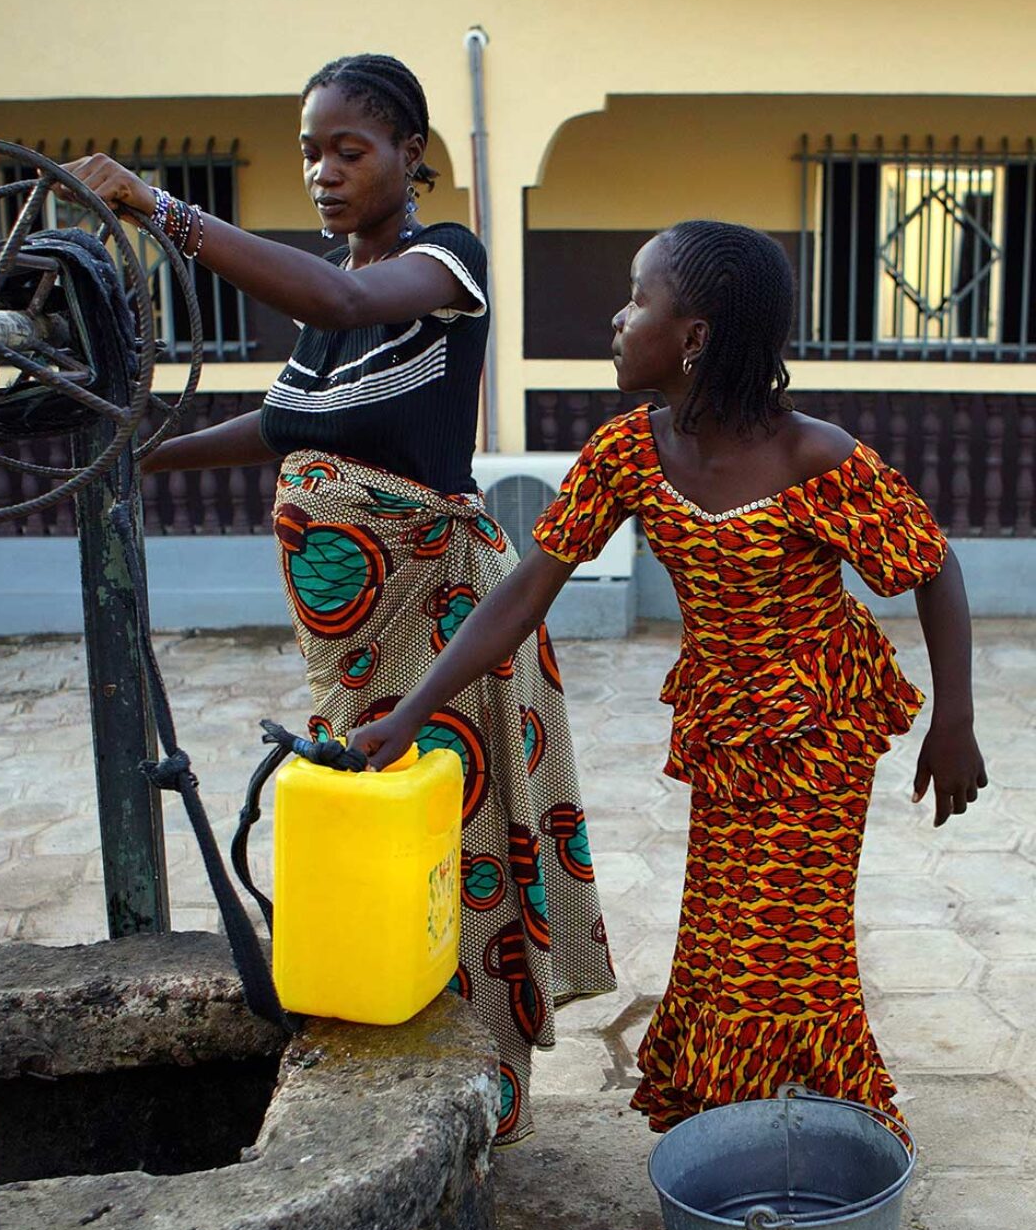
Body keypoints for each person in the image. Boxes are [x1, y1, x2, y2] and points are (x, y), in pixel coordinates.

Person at [56, 54, 615, 1145]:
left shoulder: (438, 264)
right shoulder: (320, 306)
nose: (322, 170)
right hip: (356, 652)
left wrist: (159, 208)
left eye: (347, 148)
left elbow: (348, 294)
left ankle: (475, 1108)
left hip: (449, 622)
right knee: (371, 855)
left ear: (411, 155)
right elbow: (283, 428)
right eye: (308, 149)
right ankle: (385, 1090)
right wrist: (135, 454)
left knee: (455, 850)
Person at [348, 219, 987, 1131]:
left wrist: (952, 723)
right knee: (725, 927)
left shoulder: (815, 457)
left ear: (694, 337)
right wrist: (409, 712)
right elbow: (522, 595)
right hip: (724, 721)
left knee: (792, 940)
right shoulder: (627, 454)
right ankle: (739, 1106)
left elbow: (931, 566)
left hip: (820, 724)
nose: (615, 318)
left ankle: (801, 1124)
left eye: (637, 297)